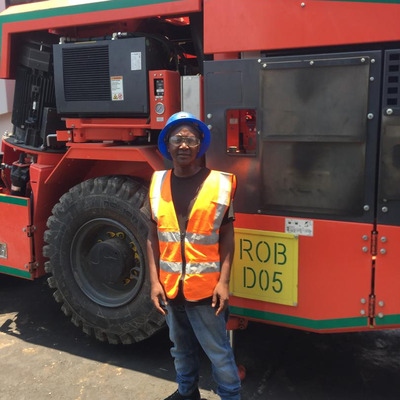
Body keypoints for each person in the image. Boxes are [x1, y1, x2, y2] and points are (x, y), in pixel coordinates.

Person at [147, 111, 241, 400]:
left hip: (206, 291)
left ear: (200, 144)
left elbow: (227, 236)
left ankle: (231, 396)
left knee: (218, 352)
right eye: (177, 139)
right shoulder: (157, 182)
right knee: (180, 349)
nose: (184, 145)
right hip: (170, 289)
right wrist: (154, 282)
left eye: (190, 139)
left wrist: (223, 282)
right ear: (167, 144)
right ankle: (186, 393)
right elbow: (152, 236)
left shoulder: (221, 184)